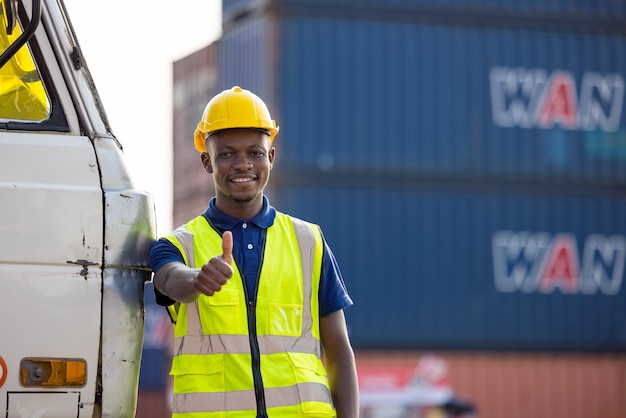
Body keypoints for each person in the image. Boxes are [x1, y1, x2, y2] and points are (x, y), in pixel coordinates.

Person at [149, 86, 359, 418]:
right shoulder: (177, 245)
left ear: (271, 158)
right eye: (227, 154)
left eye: (255, 153)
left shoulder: (310, 241)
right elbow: (168, 279)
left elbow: (338, 349)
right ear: (207, 162)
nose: (243, 164)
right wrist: (197, 279)